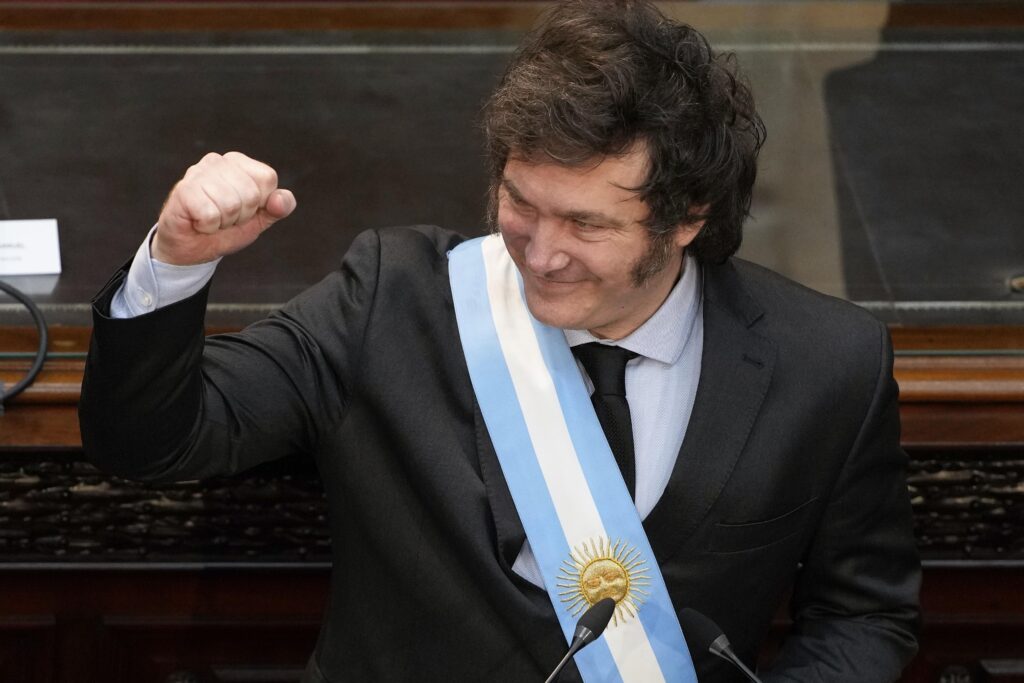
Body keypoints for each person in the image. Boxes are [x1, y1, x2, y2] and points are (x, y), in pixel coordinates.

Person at [78, 1, 920, 681]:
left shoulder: (827, 362)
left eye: (585, 224)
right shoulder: (390, 299)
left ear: (687, 218)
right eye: (521, 202)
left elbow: (864, 615)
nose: (540, 253)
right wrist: (175, 263)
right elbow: (152, 442)